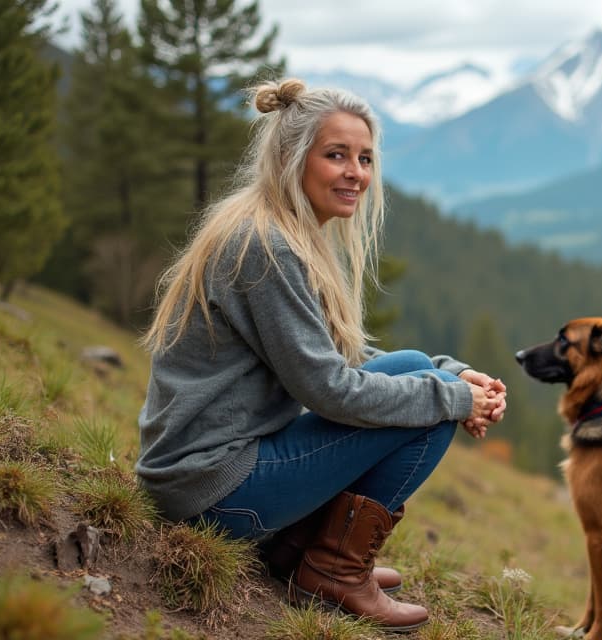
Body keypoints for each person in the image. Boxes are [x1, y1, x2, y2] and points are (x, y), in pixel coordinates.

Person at [135, 78, 507, 631]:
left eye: (364, 157)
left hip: (210, 473)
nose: (356, 172)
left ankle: (302, 550)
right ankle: (334, 569)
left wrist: (450, 373)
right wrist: (452, 398)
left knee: (413, 370)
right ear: (291, 159)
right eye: (336, 156)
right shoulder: (266, 248)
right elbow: (328, 391)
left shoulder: (278, 230)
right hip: (212, 494)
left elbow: (334, 355)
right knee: (428, 411)